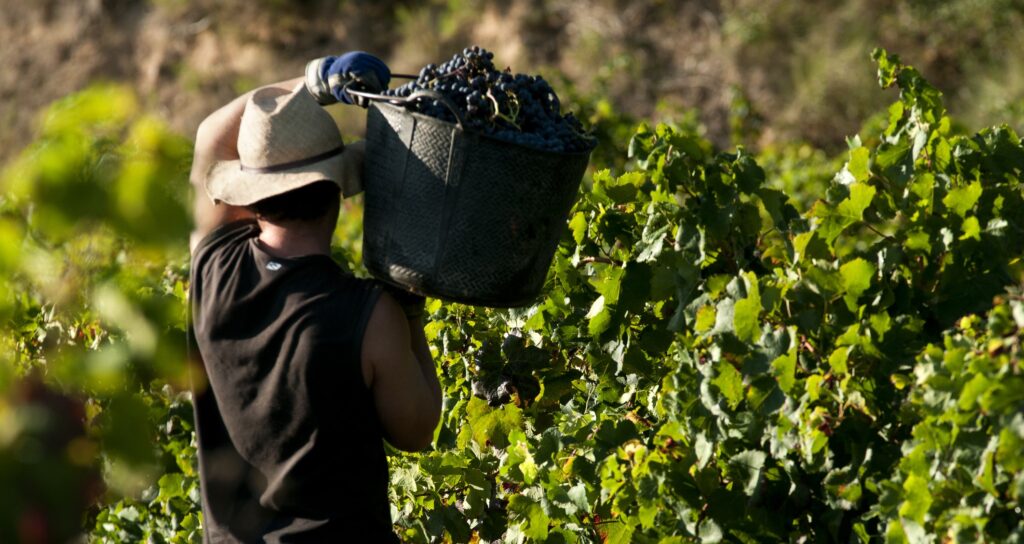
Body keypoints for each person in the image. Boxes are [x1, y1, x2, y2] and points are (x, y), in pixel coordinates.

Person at [187, 51, 442, 543]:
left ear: (249, 197)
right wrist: (410, 309)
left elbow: (209, 137)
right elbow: (417, 430)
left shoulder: (212, 264)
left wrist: (312, 81)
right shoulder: (370, 316)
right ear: (337, 193)